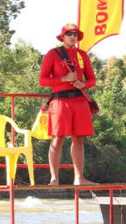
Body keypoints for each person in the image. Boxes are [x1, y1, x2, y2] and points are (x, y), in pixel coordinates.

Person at [38, 23, 97, 186]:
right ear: (62, 37)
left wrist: (83, 84)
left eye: (75, 34)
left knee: (78, 139)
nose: (73, 37)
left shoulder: (82, 55)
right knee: (57, 139)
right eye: (69, 34)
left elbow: (92, 80)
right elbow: (42, 80)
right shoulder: (53, 54)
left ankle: (79, 178)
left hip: (79, 101)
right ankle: (54, 179)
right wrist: (63, 79)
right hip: (60, 101)